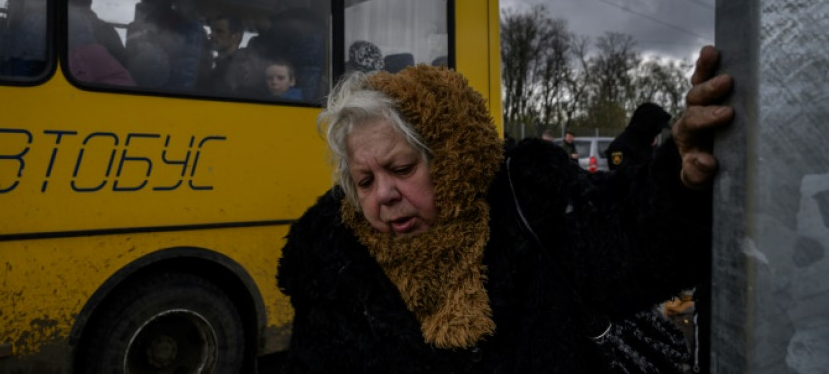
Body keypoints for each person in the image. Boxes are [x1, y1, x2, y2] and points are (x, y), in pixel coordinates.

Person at [277, 46, 733, 373]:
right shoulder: (331, 265)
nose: (384, 195)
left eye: (401, 168)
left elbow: (635, 232)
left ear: (451, 157)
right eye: (365, 181)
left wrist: (677, 178)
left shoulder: (529, 210)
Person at [606, 102, 673, 171]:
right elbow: (623, 176)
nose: (657, 133)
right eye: (655, 130)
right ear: (646, 126)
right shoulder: (620, 147)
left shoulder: (648, 145)